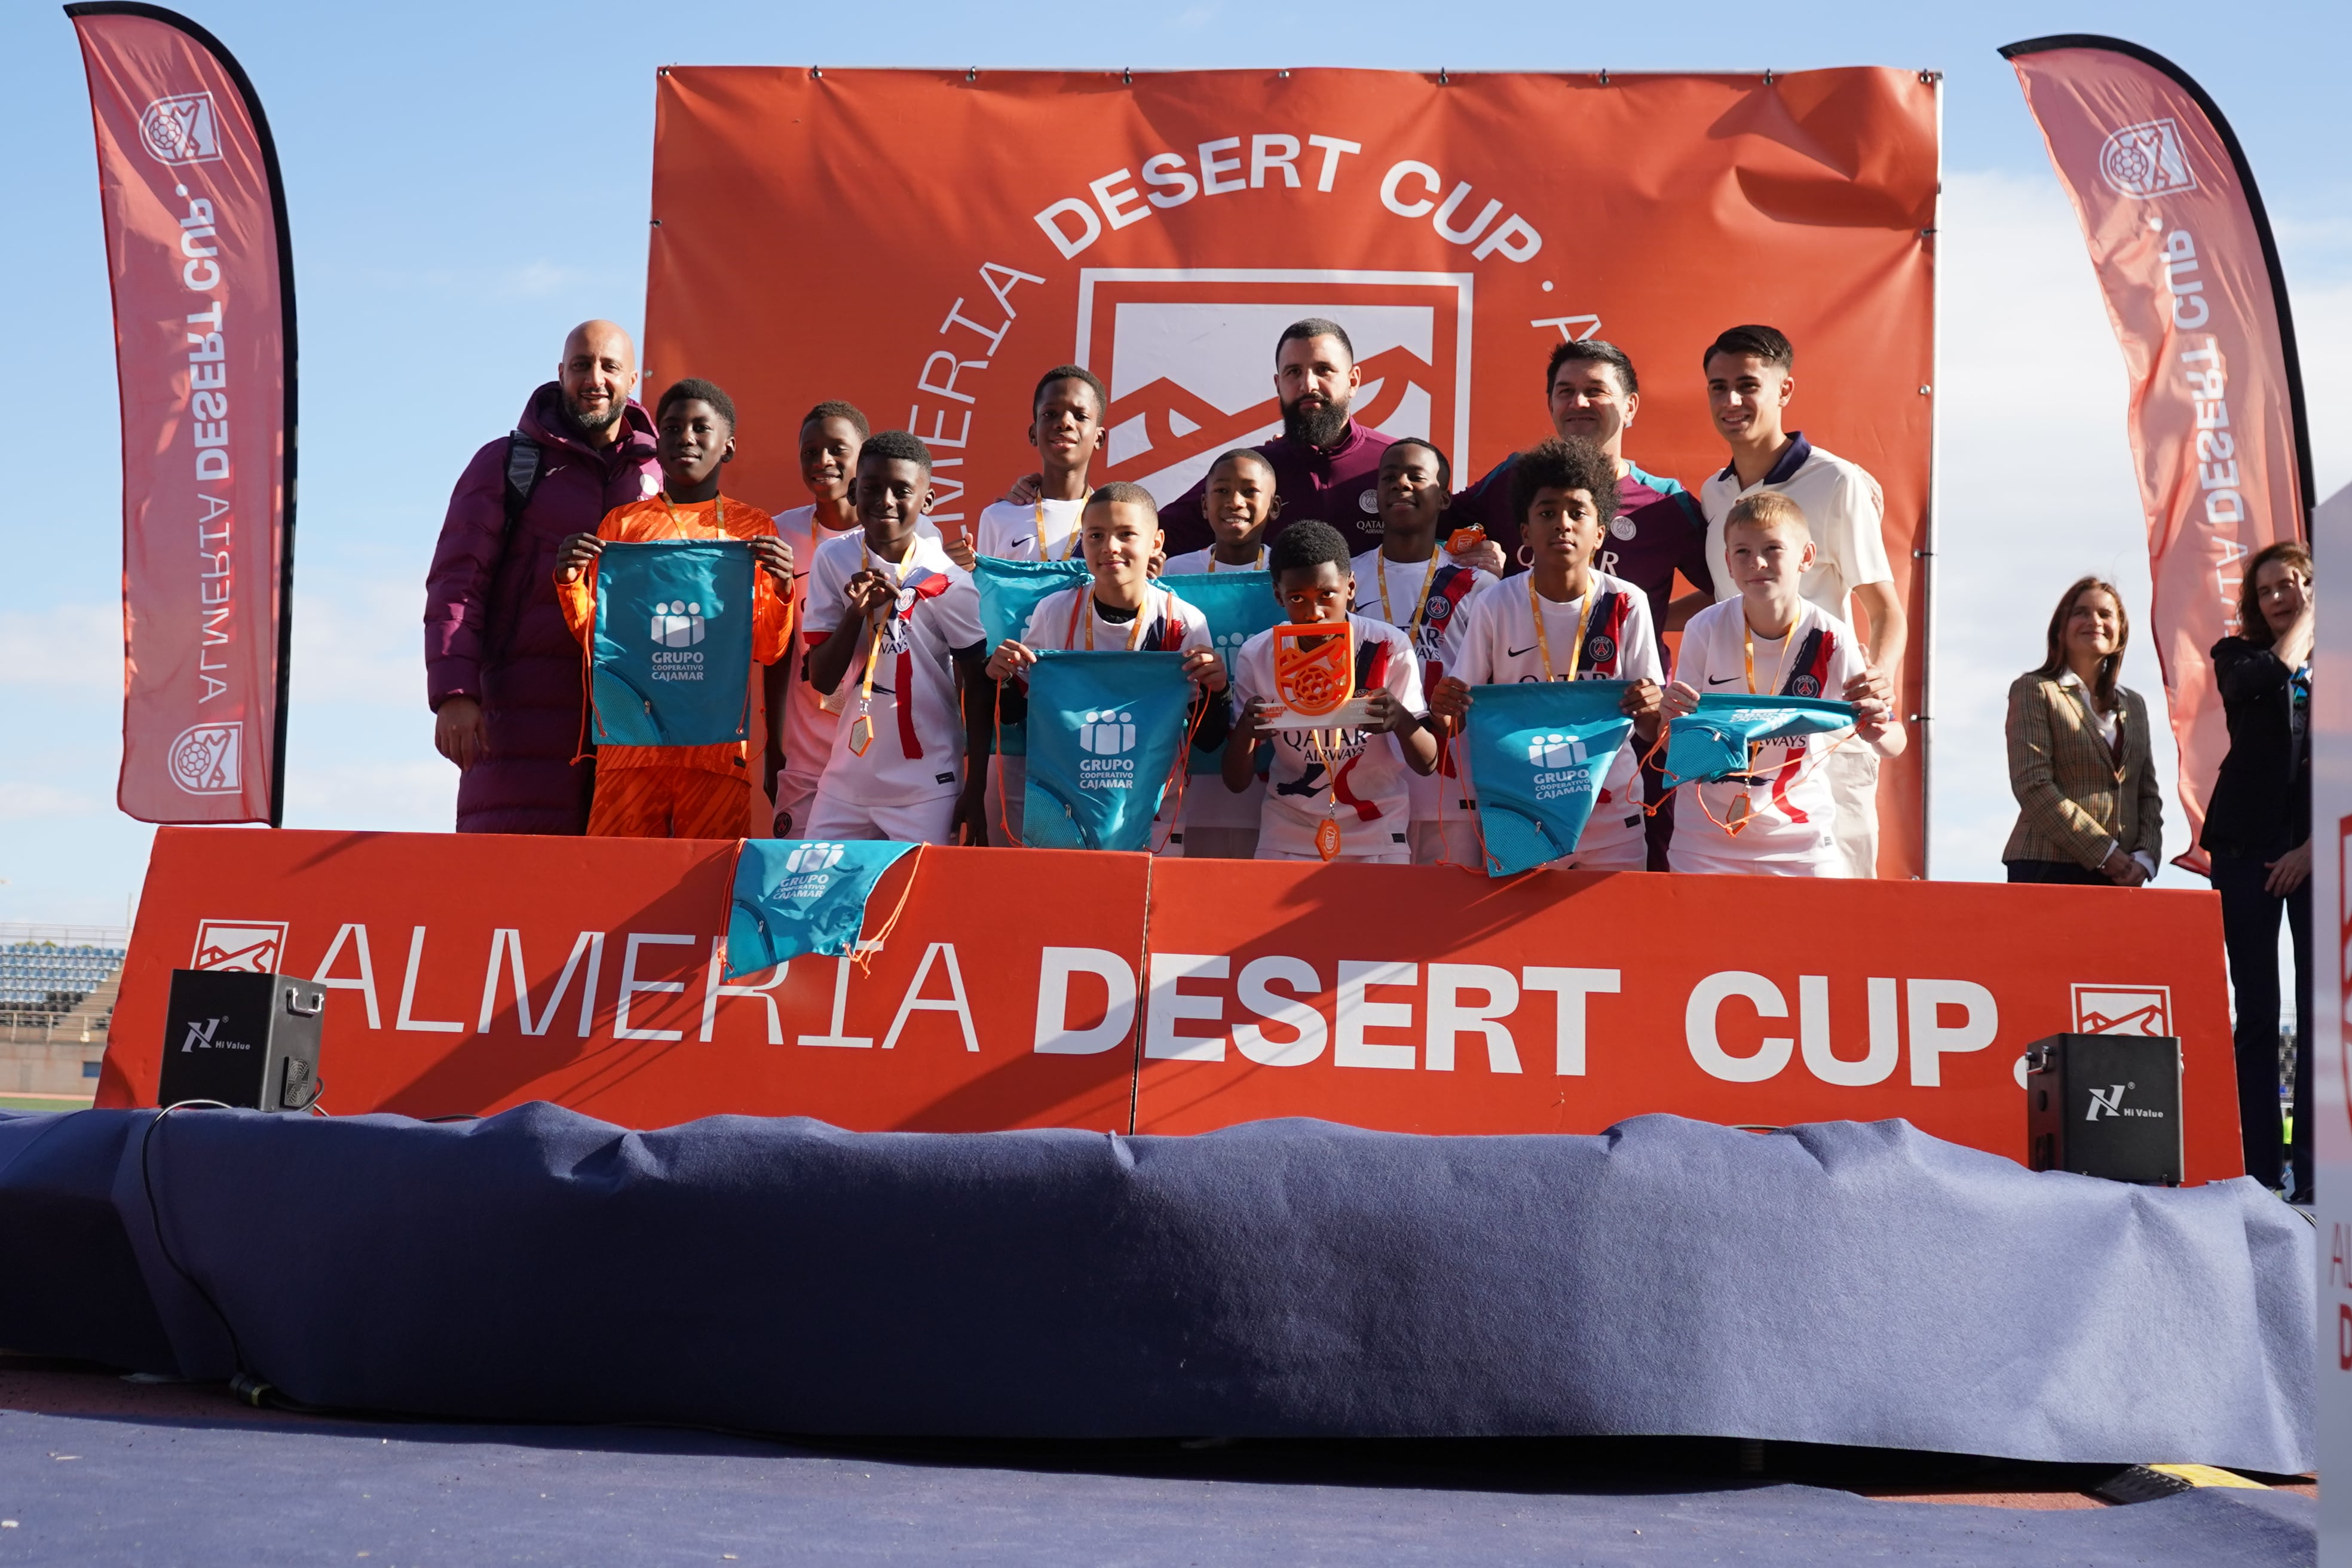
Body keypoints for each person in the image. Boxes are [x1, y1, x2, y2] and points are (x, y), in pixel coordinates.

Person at [424, 320, 661, 833]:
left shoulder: (661, 474)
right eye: (581, 365)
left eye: (609, 366)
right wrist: (455, 694)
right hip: (518, 725)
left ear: (634, 378)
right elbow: (456, 585)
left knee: (615, 900)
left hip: (633, 729)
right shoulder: (505, 463)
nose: (594, 378)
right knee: (508, 894)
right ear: (560, 373)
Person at [1694, 326, 1904, 879]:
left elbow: (1885, 609)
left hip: (1825, 729)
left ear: (1785, 390)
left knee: (1842, 906)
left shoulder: (1837, 481)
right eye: (1718, 387)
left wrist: (1875, 685)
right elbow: (1723, 599)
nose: (1731, 401)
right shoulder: (1714, 492)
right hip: (1739, 734)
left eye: (1748, 385)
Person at [552, 379, 794, 838]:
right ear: (657, 445)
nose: (686, 437)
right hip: (630, 751)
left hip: (717, 751)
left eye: (702, 428)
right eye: (673, 427)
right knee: (615, 886)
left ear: (729, 446)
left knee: (704, 890)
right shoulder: (622, 524)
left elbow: (766, 649)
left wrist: (782, 589)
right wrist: (569, 582)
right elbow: (598, 642)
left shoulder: (753, 528)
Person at [1429, 437, 1664, 871]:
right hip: (1522, 813)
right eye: (1547, 513)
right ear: (1525, 532)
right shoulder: (1496, 604)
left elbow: (1651, 731)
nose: (1563, 524)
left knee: (1612, 938)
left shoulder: (1628, 603)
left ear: (1600, 532)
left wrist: (1653, 707)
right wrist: (1444, 707)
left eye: (1578, 512)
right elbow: (1457, 719)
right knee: (1518, 938)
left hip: (1611, 818)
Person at [1662, 493, 1901, 876]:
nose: (1756, 562)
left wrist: (1877, 727)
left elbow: (1895, 740)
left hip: (1801, 842)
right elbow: (1681, 742)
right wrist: (1670, 717)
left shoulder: (1832, 637)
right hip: (1705, 841)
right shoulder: (1704, 628)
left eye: (1773, 548)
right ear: (1727, 562)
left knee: (1813, 938)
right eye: (1742, 552)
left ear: (1806, 556)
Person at [983, 483, 1231, 846]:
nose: (1109, 547)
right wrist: (1000, 677)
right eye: (1096, 535)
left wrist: (1218, 690)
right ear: (1082, 540)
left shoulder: (1183, 621)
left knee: (1145, 903)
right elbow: (1016, 713)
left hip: (1152, 811)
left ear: (1157, 543)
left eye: (1126, 534)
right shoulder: (1055, 611)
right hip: (1064, 812)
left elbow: (1208, 740)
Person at [1450, 339, 1711, 634]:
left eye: (1595, 391)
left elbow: (1733, 589)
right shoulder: (1513, 477)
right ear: (1551, 404)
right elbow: (1421, 533)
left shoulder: (1665, 504)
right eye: (1566, 392)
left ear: (1630, 406)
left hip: (1628, 681)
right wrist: (1474, 557)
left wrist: (1652, 619)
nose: (1579, 403)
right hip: (1520, 677)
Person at [802, 431, 988, 845]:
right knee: (815, 901)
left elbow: (977, 684)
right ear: (854, 491)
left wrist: (975, 790)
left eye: (902, 490)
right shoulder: (833, 559)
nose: (885, 500)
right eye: (871, 488)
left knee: (920, 905)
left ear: (928, 500)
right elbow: (822, 680)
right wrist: (856, 614)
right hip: (847, 781)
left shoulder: (949, 579)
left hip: (926, 788)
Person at [2202, 540, 2314, 1196]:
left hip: (2316, 850)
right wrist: (2314, 612)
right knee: (2259, 1009)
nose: (2282, 594)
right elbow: (2263, 680)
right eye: (2270, 587)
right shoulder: (2236, 655)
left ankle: (2315, 1174)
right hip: (2245, 849)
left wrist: (2312, 850)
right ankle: (2261, 1173)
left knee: (2322, 1007)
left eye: (2296, 582)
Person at [1224, 520, 1437, 863]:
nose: (1315, 613)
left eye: (1327, 595)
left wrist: (1399, 718)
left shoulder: (1386, 646)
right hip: (1288, 827)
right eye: (1297, 598)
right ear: (1278, 596)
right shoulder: (1257, 654)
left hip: (1377, 825)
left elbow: (1428, 763)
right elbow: (1236, 782)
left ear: (1350, 587)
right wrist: (1247, 732)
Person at [1350, 438, 1495, 865]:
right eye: (1389, 477)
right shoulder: (1346, 579)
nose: (1401, 484)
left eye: (1416, 476)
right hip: (1367, 784)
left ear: (1444, 497)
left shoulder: (1477, 585)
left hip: (1451, 793)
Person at [1999, 578, 2162, 886]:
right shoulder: (2035, 690)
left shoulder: (2135, 705)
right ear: (2060, 630)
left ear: (2121, 633)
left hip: (2124, 875)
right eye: (2081, 613)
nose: (2094, 622)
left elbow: (2147, 793)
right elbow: (2032, 785)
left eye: (2105, 614)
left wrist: (2146, 856)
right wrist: (2104, 852)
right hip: (2046, 868)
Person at [770, 401, 870, 838]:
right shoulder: (781, 533)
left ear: (862, 458)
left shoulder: (904, 533)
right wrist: (775, 746)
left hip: (875, 751)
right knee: (796, 883)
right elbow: (775, 652)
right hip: (805, 754)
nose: (822, 461)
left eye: (836, 449)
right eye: (810, 452)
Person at [953, 368, 1109, 569]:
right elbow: (986, 595)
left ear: (1099, 438)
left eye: (1080, 416)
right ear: (1033, 434)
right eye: (1050, 414)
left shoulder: (1111, 522)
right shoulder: (998, 517)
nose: (1064, 423)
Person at [1161, 448, 1280, 574]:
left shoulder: (1287, 570)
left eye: (1250, 491)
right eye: (1222, 491)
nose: (1235, 503)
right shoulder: (1177, 569)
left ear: (1274, 508)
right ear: (1205, 506)